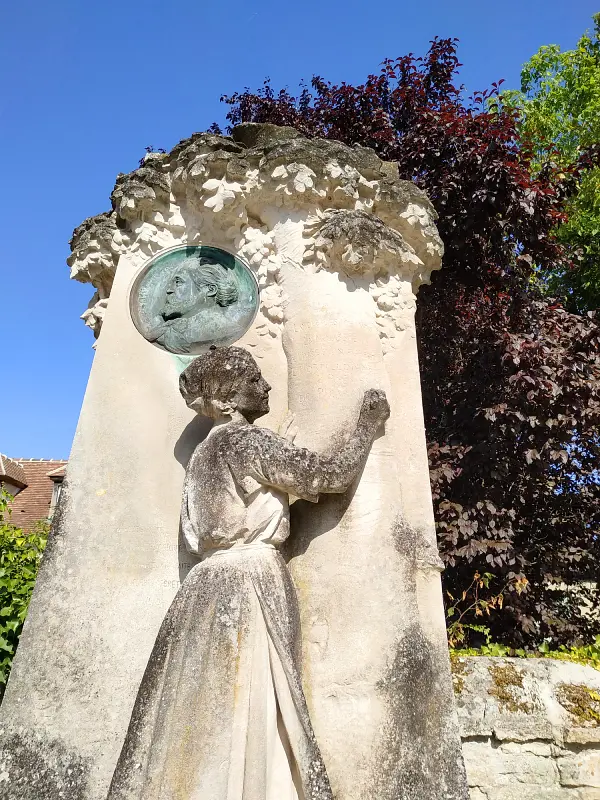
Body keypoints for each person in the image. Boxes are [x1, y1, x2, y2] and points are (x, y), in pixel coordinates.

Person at [107, 346, 390, 800]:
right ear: (228, 399)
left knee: (208, 711)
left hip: (201, 590)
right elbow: (329, 475)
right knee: (258, 699)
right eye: (255, 381)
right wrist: (366, 428)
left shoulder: (202, 454)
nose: (267, 387)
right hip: (249, 582)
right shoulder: (248, 441)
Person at [147, 256, 240, 354]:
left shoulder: (225, 331)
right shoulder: (168, 330)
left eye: (178, 282)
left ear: (210, 290)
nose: (169, 290)